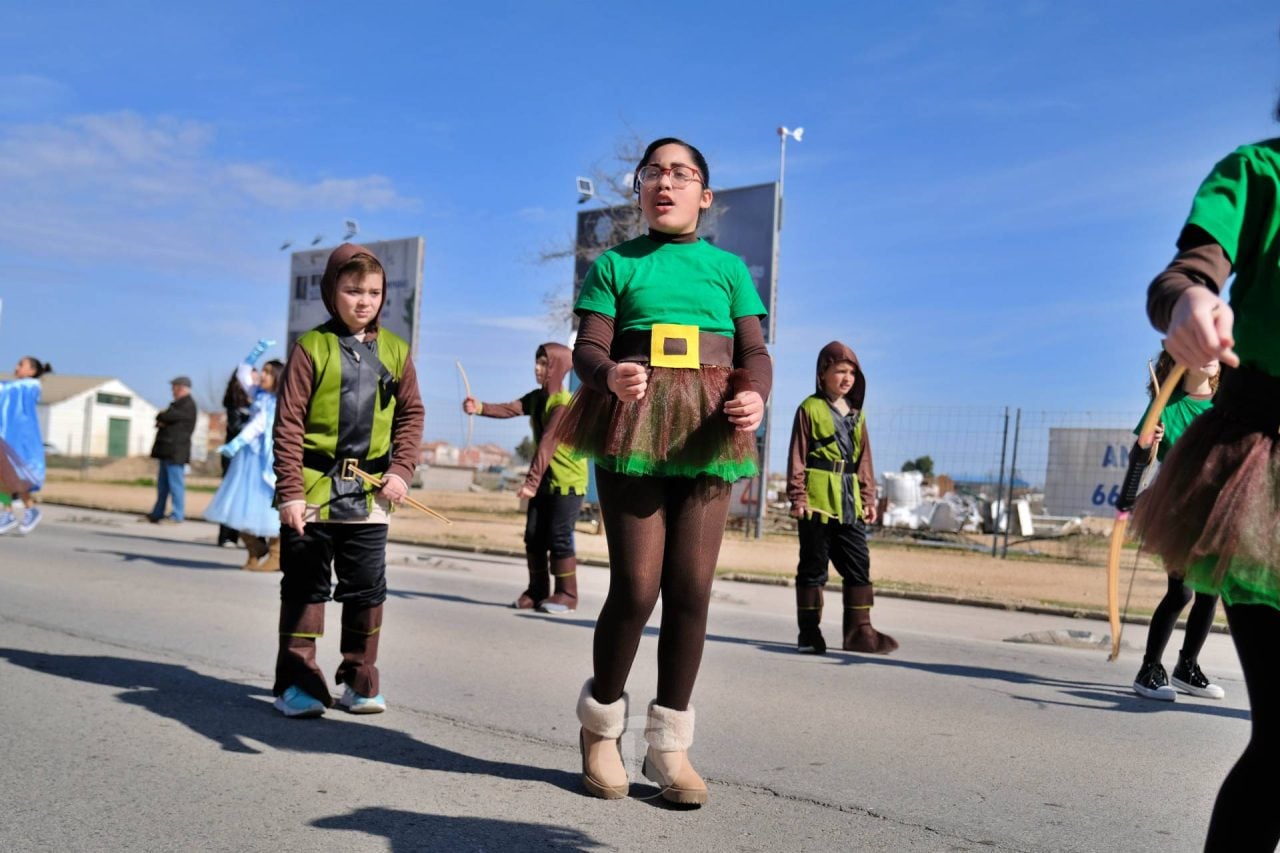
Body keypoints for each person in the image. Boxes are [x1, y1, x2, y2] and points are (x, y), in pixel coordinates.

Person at [556, 138, 771, 805]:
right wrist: (606, 373)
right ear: (641, 190)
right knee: (638, 586)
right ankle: (601, 727)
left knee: (691, 589)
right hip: (634, 423)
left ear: (704, 195)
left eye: (681, 174)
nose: (665, 182)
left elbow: (755, 351)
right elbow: (588, 346)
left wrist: (754, 393)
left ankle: (670, 743)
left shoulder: (729, 269)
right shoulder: (614, 264)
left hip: (709, 433)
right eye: (653, 173)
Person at [1130, 110, 1280, 849]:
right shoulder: (1259, 172)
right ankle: (1162, 663)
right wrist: (1192, 302)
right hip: (1263, 467)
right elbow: (1186, 273)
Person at [270, 243, 424, 719]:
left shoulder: (397, 351)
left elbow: (411, 415)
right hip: (313, 493)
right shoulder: (310, 347)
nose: (364, 301)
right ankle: (298, 685)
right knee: (306, 588)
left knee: (366, 591)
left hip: (370, 494)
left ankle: (360, 681)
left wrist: (401, 470)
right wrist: (290, 492)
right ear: (331, 291)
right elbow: (289, 423)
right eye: (353, 290)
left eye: (374, 292)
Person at [1119, 352, 1221, 702]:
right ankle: (1149, 669)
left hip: (1219, 510)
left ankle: (1186, 667)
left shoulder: (1228, 406)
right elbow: (1139, 460)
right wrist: (1150, 443)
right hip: (1178, 509)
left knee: (1210, 590)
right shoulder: (1166, 404)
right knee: (1181, 592)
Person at [786, 341, 896, 656]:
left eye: (851, 373)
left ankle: (859, 632)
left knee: (859, 564)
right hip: (817, 498)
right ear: (823, 374)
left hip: (849, 499)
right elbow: (797, 455)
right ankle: (809, 634)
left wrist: (869, 498)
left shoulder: (857, 415)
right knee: (813, 566)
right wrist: (798, 495)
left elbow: (864, 461)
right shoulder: (809, 408)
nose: (847, 378)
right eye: (840, 371)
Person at [463, 343, 589, 613]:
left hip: (567, 483)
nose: (537, 367)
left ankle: (567, 595)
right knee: (533, 536)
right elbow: (511, 408)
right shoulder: (538, 398)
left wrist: (530, 483)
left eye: (544, 363)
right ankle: (537, 592)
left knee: (559, 537)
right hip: (545, 481)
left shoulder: (562, 405)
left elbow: (547, 444)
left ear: (557, 368)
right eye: (537, 362)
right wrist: (480, 406)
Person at [204, 340, 282, 571]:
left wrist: (237, 442)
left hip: (268, 458)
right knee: (240, 506)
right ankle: (254, 549)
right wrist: (255, 353)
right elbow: (243, 374)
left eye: (268, 372)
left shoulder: (276, 400)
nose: (264, 375)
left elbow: (259, 425)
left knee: (269, 506)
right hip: (249, 457)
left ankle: (276, 554)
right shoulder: (258, 394)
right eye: (263, 371)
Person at [0, 356, 52, 535]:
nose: (16, 367)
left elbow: (8, 390)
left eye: (21, 364)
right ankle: (8, 513)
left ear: (32, 371)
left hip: (20, 440)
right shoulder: (14, 387)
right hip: (7, 437)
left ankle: (29, 509)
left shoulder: (31, 386)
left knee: (17, 476)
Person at [143, 376, 197, 524]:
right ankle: (157, 512)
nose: (173, 391)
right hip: (167, 451)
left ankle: (177, 515)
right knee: (162, 485)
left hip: (176, 452)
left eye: (175, 387)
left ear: (182, 388)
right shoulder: (177, 404)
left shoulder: (187, 405)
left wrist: (163, 418)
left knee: (176, 485)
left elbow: (166, 416)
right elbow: (162, 418)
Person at [216, 364, 255, 547]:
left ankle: (248, 537)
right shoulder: (234, 402)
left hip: (251, 456)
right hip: (234, 455)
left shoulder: (257, 399)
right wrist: (255, 424)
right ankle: (227, 535)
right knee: (231, 495)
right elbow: (235, 427)